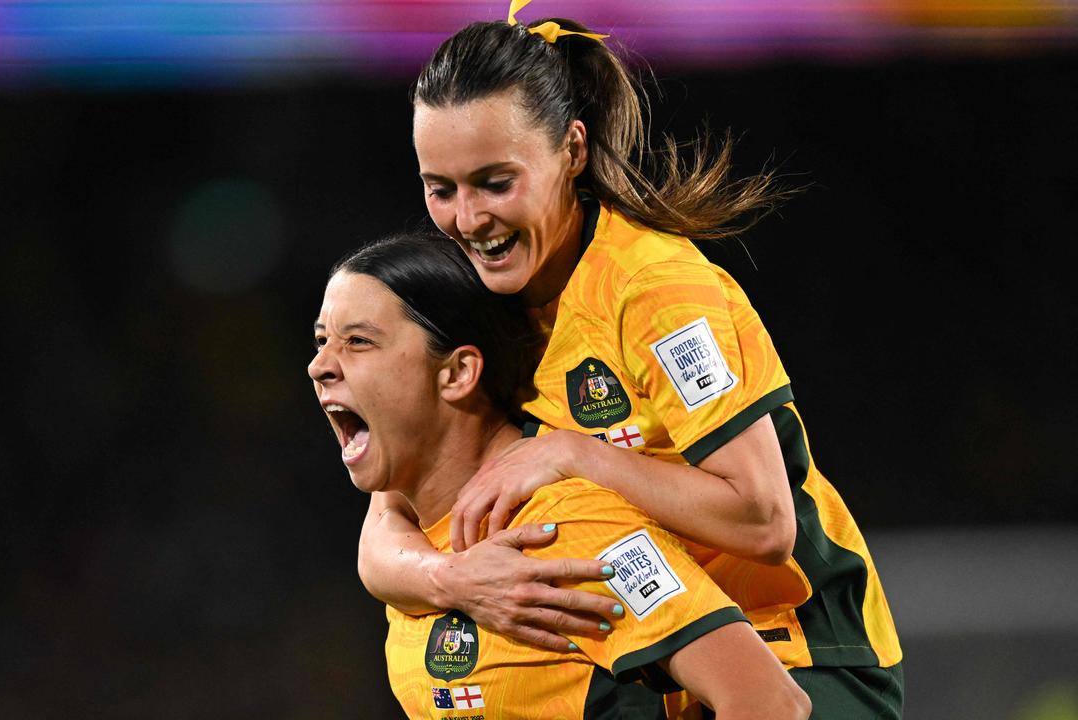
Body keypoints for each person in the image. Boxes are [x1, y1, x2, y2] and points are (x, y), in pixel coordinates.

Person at [358, 2, 904, 717]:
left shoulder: (656, 293)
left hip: (799, 655)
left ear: (573, 151)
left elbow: (766, 521)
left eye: (496, 182)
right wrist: (450, 580)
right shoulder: (480, 295)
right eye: (442, 189)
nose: (468, 219)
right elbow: (386, 521)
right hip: (666, 662)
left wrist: (575, 456)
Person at [310, 232, 810, 719]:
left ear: (459, 372)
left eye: (358, 341)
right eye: (321, 341)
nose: (319, 366)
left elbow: (770, 703)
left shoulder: (566, 526)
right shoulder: (415, 539)